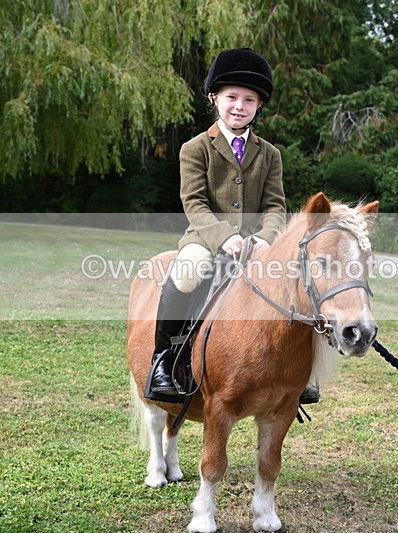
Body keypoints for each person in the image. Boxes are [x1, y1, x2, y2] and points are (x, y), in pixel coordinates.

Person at [146, 48, 320, 404]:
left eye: (249, 100)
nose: (239, 106)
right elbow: (194, 203)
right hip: (206, 239)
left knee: (299, 281)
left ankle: (302, 373)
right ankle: (163, 359)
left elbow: (275, 205)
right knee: (188, 272)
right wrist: (224, 238)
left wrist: (265, 239)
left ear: (259, 106)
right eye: (232, 97)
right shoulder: (195, 149)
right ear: (215, 98)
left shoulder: (270, 154)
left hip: (258, 244)